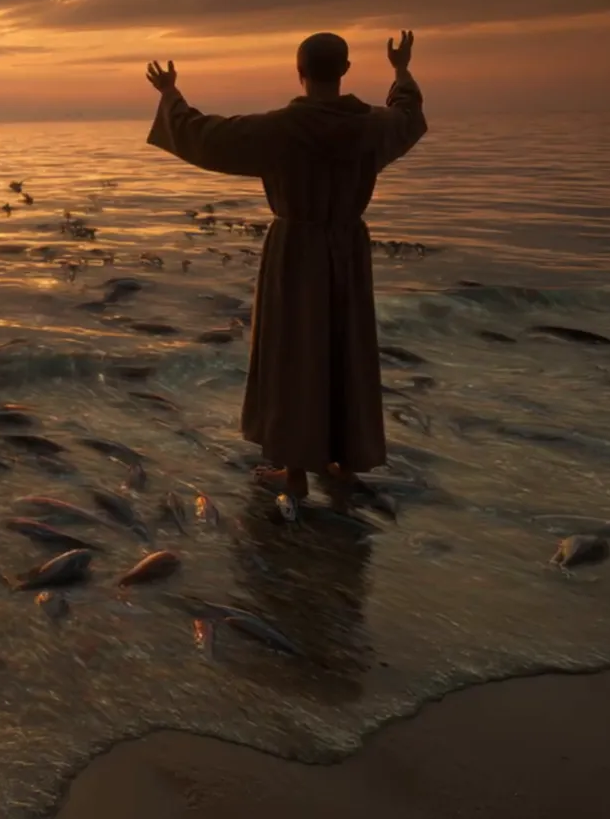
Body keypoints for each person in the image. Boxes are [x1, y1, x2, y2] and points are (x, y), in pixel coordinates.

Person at [143, 31, 426, 510]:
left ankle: (294, 473)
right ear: (345, 70)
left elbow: (204, 134)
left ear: (300, 70)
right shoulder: (371, 126)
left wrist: (170, 92)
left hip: (297, 249)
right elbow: (408, 115)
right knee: (345, 347)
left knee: (295, 352)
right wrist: (400, 69)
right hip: (348, 246)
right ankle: (344, 461)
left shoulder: (281, 130)